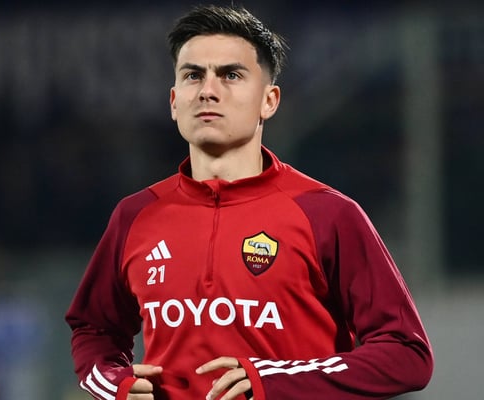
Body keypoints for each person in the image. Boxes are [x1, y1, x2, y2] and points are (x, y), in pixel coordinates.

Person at [65, 4, 433, 400]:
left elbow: (406, 353)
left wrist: (275, 379)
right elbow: (94, 329)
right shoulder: (135, 215)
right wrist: (114, 383)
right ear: (174, 101)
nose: (207, 90)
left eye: (231, 75)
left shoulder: (327, 213)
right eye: (193, 75)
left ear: (269, 101)